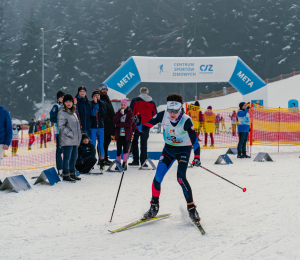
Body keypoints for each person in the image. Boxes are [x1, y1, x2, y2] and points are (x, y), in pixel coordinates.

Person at [133, 93, 202, 224]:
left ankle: (192, 209)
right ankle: (154, 206)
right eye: (170, 110)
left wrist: (197, 157)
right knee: (157, 178)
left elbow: (195, 143)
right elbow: (144, 128)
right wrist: (137, 123)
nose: (172, 114)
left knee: (180, 178)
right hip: (168, 150)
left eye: (175, 111)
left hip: (183, 150)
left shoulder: (186, 120)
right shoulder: (162, 115)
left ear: (180, 109)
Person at [129, 87, 157, 166]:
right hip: (146, 126)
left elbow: (131, 113)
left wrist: (131, 124)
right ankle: (143, 161)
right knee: (144, 143)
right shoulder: (152, 102)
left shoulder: (135, 100)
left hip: (136, 125)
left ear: (139, 93)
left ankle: (136, 160)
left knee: (135, 142)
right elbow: (155, 115)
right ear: (147, 93)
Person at [57, 94, 82, 182]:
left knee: (74, 156)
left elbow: (77, 126)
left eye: (70, 101)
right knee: (67, 157)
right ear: (64, 103)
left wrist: (79, 136)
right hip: (67, 139)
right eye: (67, 101)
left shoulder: (73, 112)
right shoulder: (62, 112)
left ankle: (72, 173)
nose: (69, 103)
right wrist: (71, 134)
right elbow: (61, 126)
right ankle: (66, 175)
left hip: (74, 139)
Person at [113, 100, 133, 171]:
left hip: (126, 134)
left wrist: (119, 124)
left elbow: (129, 124)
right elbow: (115, 121)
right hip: (119, 134)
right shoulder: (118, 112)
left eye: (124, 105)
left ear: (127, 105)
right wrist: (120, 115)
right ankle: (118, 163)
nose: (123, 106)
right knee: (118, 150)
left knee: (125, 149)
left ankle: (124, 163)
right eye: (122, 105)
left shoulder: (130, 112)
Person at [90, 90, 107, 170]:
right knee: (92, 145)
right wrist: (95, 104)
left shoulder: (102, 103)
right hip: (92, 127)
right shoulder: (90, 103)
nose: (97, 97)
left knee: (101, 145)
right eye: (95, 95)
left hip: (100, 127)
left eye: (98, 95)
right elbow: (92, 113)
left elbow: (104, 114)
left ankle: (102, 161)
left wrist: (99, 105)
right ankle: (92, 162)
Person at [99, 83, 115, 165]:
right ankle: (101, 159)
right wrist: (106, 118)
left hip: (109, 124)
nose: (105, 91)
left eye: (106, 89)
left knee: (107, 141)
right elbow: (100, 111)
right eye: (103, 89)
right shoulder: (100, 98)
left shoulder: (106, 97)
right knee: (103, 142)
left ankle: (105, 158)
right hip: (104, 124)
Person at [50, 90, 65, 175]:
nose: (63, 99)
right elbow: (52, 118)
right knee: (59, 150)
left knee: (67, 150)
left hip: (67, 132)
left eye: (64, 97)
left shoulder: (67, 105)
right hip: (59, 132)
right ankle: (60, 168)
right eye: (62, 97)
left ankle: (66, 167)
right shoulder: (56, 106)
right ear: (58, 98)